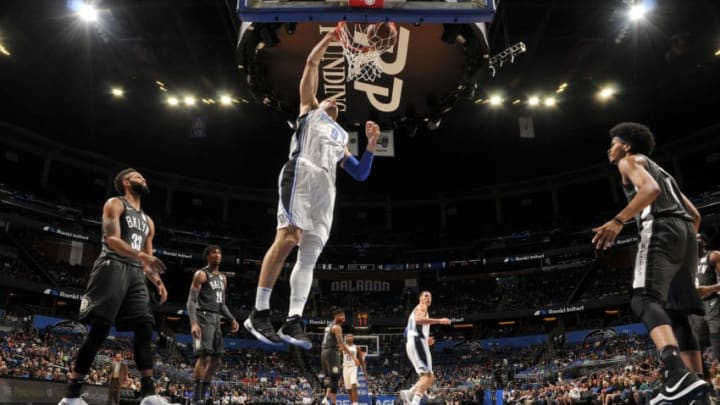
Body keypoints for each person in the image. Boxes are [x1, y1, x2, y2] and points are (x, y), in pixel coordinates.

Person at [244, 29, 381, 349]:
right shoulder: (309, 111)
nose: (333, 99)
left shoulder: (342, 138)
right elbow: (310, 63)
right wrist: (331, 38)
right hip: (302, 173)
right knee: (288, 237)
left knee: (309, 255)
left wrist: (372, 145)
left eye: (337, 100)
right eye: (328, 97)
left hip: (326, 190)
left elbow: (360, 173)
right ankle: (259, 312)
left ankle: (293, 320)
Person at [591, 122, 709, 404]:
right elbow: (695, 216)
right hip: (686, 236)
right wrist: (683, 247)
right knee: (676, 313)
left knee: (643, 299)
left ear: (626, 146)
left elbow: (650, 189)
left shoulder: (628, 162)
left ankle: (677, 373)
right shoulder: (665, 171)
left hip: (661, 228)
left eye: (614, 143)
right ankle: (698, 394)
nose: (610, 149)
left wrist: (618, 221)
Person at [58, 168, 168, 405]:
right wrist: (143, 258)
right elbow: (112, 240)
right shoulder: (115, 204)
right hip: (112, 264)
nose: (144, 179)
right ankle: (72, 396)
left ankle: (149, 394)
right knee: (99, 330)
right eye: (139, 176)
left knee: (144, 328)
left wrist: (157, 281)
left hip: (136, 273)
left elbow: (148, 260)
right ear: (126, 182)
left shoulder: (149, 221)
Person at [186, 245, 240, 405]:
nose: (217, 255)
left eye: (219, 252)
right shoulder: (201, 274)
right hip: (202, 317)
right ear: (207, 257)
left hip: (216, 319)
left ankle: (202, 395)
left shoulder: (223, 278)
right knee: (203, 356)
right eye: (213, 253)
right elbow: (191, 301)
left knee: (216, 360)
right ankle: (196, 398)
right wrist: (193, 323)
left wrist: (231, 319)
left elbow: (222, 303)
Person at [398, 291, 451, 405]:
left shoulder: (415, 310)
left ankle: (410, 393)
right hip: (417, 342)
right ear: (420, 298)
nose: (429, 298)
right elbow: (418, 320)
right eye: (426, 296)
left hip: (414, 342)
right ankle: (414, 401)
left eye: (430, 296)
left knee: (429, 377)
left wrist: (425, 339)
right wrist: (439, 320)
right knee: (428, 376)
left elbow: (407, 331)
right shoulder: (422, 307)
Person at [321, 307, 359, 405]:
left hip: (324, 352)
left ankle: (325, 398)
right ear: (336, 316)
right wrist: (353, 357)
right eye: (342, 316)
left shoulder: (328, 326)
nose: (344, 318)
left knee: (329, 377)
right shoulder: (337, 327)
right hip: (331, 353)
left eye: (344, 316)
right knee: (335, 377)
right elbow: (342, 345)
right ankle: (332, 402)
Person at [693, 233, 720, 359]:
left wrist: (708, 289)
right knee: (695, 342)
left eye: (697, 238)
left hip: (712, 300)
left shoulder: (713, 255)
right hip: (696, 305)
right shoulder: (688, 262)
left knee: (716, 336)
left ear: (704, 242)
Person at [342, 334, 367, 405]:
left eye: (351, 336)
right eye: (348, 336)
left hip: (353, 367)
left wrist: (365, 372)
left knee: (354, 384)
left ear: (353, 338)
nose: (349, 337)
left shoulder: (356, 347)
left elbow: (361, 360)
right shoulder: (343, 347)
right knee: (349, 388)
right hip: (345, 367)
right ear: (346, 338)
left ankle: (355, 403)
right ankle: (352, 402)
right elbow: (339, 358)